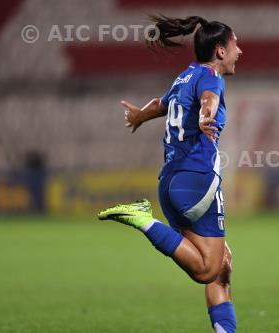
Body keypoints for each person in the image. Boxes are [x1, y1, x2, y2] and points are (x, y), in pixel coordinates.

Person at [98, 15, 242, 333]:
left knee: (223, 266)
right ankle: (143, 221)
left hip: (170, 183)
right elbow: (209, 100)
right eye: (235, 45)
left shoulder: (184, 77)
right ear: (220, 51)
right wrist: (207, 116)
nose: (239, 51)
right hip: (197, 181)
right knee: (208, 269)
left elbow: (160, 105)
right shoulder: (210, 76)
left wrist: (139, 115)